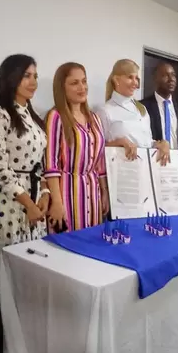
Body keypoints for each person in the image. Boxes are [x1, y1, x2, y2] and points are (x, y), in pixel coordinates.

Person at [0, 54, 49, 313]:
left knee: (32, 270)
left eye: (34, 76)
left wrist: (43, 193)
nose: (33, 82)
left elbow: (38, 164)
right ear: (11, 78)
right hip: (10, 203)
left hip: (33, 202)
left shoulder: (33, 116)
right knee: (8, 268)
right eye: (26, 76)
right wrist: (28, 202)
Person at [45, 62, 109, 232]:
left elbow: (100, 161)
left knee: (92, 248)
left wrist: (104, 192)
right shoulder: (56, 116)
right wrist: (57, 203)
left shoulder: (94, 118)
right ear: (62, 87)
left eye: (84, 81)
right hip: (67, 195)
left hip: (93, 194)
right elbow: (51, 164)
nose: (82, 87)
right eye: (74, 83)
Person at [97, 59, 170, 164]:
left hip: (144, 171)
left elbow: (146, 143)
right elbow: (96, 149)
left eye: (136, 78)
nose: (135, 83)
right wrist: (119, 142)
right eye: (130, 77)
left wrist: (161, 144)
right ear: (116, 80)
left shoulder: (142, 109)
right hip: (121, 172)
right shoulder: (105, 111)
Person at [140, 62, 178, 149]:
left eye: (173, 75)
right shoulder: (143, 106)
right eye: (166, 75)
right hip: (154, 158)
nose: (171, 79)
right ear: (156, 79)